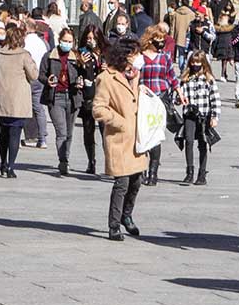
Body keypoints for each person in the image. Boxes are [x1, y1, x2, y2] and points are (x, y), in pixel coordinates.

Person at [92, 40, 146, 241]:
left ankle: (127, 215)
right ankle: (114, 225)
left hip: (136, 139)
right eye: (134, 54)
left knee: (137, 181)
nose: (137, 58)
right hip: (119, 138)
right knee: (122, 182)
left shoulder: (132, 75)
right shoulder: (106, 78)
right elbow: (98, 108)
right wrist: (119, 121)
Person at [0, 26, 39, 178]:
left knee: (3, 132)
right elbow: (33, 75)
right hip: (18, 100)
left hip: (1, 97)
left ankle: (3, 163)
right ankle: (11, 166)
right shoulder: (24, 55)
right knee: (15, 134)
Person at [135, 24, 178, 186]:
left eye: (162, 40)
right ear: (150, 40)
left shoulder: (165, 57)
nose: (160, 42)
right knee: (143, 134)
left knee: (156, 136)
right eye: (157, 39)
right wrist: (138, 86)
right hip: (145, 99)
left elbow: (172, 77)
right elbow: (133, 76)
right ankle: (141, 170)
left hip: (160, 99)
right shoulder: (140, 57)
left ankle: (153, 173)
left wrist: (179, 92)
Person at [39, 28, 84, 176]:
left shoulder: (76, 57)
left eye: (70, 41)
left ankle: (66, 158)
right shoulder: (49, 56)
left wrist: (80, 81)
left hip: (72, 96)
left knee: (69, 133)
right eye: (65, 41)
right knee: (61, 132)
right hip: (56, 96)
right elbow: (41, 75)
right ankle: (63, 161)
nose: (67, 44)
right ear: (59, 40)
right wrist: (48, 81)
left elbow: (84, 73)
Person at [178, 50, 220, 185]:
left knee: (203, 143)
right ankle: (189, 172)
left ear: (203, 63)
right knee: (188, 141)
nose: (195, 64)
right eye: (193, 62)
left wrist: (215, 116)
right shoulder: (185, 78)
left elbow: (215, 98)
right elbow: (178, 96)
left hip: (204, 115)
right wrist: (179, 99)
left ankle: (202, 173)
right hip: (189, 114)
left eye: (198, 62)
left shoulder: (208, 79)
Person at [78, 25, 107, 174]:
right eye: (88, 38)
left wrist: (108, 68)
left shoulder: (106, 54)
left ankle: (109, 161)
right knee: (88, 131)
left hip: (104, 98)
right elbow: (77, 74)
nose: (91, 41)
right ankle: (91, 161)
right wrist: (80, 65)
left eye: (94, 38)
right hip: (88, 97)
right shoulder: (82, 53)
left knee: (105, 131)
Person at [22, 20, 50, 148]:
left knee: (25, 108)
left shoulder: (25, 42)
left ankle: (28, 136)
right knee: (38, 108)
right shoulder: (42, 43)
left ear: (26, 28)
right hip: (39, 77)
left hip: (27, 77)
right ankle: (42, 138)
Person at [170, 0, 197, 67]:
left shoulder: (176, 13)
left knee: (181, 54)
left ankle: (181, 69)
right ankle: (186, 70)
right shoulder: (192, 14)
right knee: (188, 54)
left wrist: (171, 36)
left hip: (178, 36)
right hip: (188, 36)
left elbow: (172, 27)